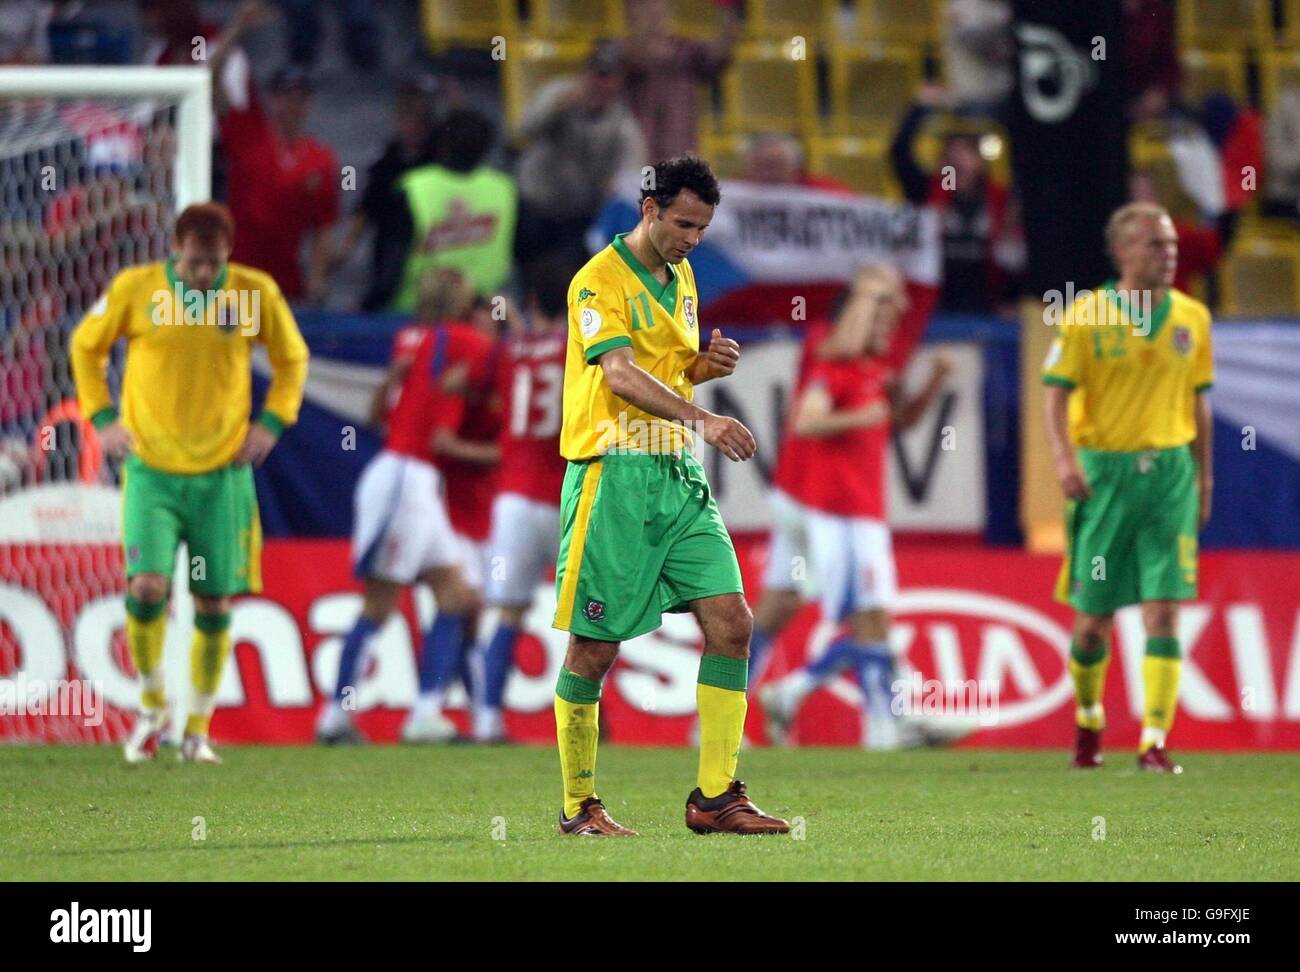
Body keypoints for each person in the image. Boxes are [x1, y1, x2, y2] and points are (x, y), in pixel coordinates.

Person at [551, 156, 788, 836]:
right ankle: (579, 806)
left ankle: (716, 798)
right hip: (614, 475)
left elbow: (662, 370)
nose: (690, 239)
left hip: (676, 477)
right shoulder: (597, 282)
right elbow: (621, 377)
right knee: (593, 649)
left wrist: (698, 370)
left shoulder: (681, 277)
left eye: (702, 228)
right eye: (682, 223)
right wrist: (704, 417)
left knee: (732, 621)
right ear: (648, 208)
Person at [70, 202, 309, 763]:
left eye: (214, 262)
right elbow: (85, 345)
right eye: (196, 262)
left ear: (229, 252)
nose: (204, 273)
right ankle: (153, 707)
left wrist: (272, 423)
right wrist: (102, 418)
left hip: (222, 473)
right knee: (147, 586)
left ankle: (197, 727)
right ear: (177, 248)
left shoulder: (253, 293)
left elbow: (292, 359)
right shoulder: (136, 289)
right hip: (151, 470)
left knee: (213, 598)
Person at [1042, 202, 1214, 773]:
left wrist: (1205, 476)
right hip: (1104, 478)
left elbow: (1199, 402)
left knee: (1163, 613)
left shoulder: (1192, 317)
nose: (1167, 255)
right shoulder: (1085, 314)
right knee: (1093, 621)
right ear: (1120, 251)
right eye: (1153, 245)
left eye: (1170, 244)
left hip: (1169, 477)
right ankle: (1089, 717)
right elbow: (1056, 395)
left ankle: (1154, 741)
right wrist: (1065, 461)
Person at [757, 267, 953, 749]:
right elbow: (812, 418)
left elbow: (897, 420)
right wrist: (875, 289)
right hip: (826, 502)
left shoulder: (876, 363)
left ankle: (786, 698)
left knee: (787, 607)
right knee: (866, 613)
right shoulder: (830, 347)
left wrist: (932, 382)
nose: (893, 318)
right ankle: (883, 722)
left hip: (835, 502)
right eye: (883, 307)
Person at [315, 268, 494, 745]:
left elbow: (378, 414)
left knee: (457, 598)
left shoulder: (408, 338)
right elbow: (501, 362)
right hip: (405, 479)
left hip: (411, 476)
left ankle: (425, 713)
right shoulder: (461, 340)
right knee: (380, 603)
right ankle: (334, 714)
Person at [472, 255, 575, 743]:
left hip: (512, 496)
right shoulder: (576, 350)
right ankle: (586, 722)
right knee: (587, 615)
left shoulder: (510, 349)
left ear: (532, 302)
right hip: (564, 498)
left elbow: (471, 386)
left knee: (508, 612)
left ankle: (487, 718)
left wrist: (508, 314)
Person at [514, 40, 645, 286]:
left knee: (567, 281)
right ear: (586, 73)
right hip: (535, 205)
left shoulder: (622, 124)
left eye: (609, 77)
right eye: (597, 74)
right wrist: (557, 108)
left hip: (577, 217)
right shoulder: (558, 94)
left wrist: (615, 185)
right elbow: (523, 130)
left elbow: (632, 174)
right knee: (528, 277)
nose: (600, 83)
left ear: (619, 83)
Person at [371, 108, 517, 312]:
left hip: (417, 313)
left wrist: (370, 306)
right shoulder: (504, 189)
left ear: (441, 144)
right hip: (482, 314)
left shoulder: (413, 188)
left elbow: (390, 266)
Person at [890, 85, 1018, 314]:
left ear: (980, 160)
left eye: (967, 152)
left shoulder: (1000, 199)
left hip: (986, 308)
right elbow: (899, 155)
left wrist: (1011, 299)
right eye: (952, 152)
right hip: (935, 309)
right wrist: (920, 108)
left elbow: (1015, 256)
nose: (959, 160)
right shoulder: (928, 192)